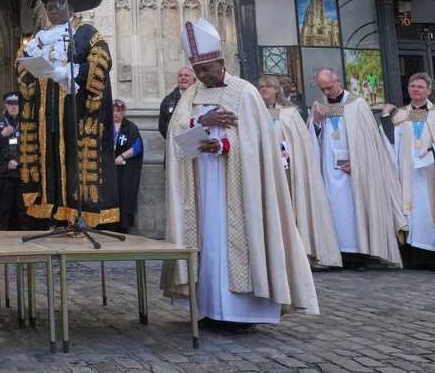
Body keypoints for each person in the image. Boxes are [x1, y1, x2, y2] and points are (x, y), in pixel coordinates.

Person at [162, 19, 317, 332]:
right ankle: (210, 308)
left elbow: (258, 146)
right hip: (202, 186)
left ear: (220, 62)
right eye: (198, 70)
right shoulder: (190, 96)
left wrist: (221, 143)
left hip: (237, 185)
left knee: (233, 243)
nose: (203, 75)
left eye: (207, 68)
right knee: (208, 245)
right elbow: (175, 137)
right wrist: (199, 123)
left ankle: (241, 313)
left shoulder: (244, 93)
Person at [17, 0, 119, 227]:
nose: (52, 11)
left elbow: (101, 62)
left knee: (76, 161)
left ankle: (80, 214)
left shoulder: (87, 34)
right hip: (47, 113)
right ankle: (55, 214)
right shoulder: (41, 37)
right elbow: (24, 66)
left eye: (57, 6)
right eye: (49, 8)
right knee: (50, 159)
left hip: (77, 114)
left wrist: (74, 72)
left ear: (70, 7)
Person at [310, 68, 405, 269]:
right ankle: (336, 255)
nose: (327, 93)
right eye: (322, 89)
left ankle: (357, 256)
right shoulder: (318, 105)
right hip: (328, 167)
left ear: (338, 80)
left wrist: (358, 163)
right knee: (332, 209)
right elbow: (310, 140)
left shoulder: (357, 104)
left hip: (354, 168)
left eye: (329, 87)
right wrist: (316, 120)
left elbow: (370, 142)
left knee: (355, 210)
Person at [258, 76, 342, 268]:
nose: (264, 89)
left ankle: (294, 252)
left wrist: (288, 151)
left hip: (286, 172)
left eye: (268, 86)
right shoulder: (254, 111)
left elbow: (301, 144)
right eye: (261, 86)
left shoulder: (290, 113)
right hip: (262, 168)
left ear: (277, 89)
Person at [380, 72, 435, 264]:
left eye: (420, 87)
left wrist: (432, 151)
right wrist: (386, 117)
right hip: (409, 173)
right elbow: (391, 143)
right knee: (413, 213)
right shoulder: (401, 114)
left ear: (429, 90)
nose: (415, 90)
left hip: (431, 172)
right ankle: (416, 257)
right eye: (412, 86)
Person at [0, 92, 28, 231]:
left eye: (16, 105)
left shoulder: (26, 123)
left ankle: (25, 233)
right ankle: (1, 233)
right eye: (11, 104)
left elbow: (32, 146)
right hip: (4, 172)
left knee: (23, 206)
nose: (13, 107)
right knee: (3, 207)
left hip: (21, 171)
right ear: (6, 105)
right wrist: (2, 135)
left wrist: (18, 160)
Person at [111, 100, 143, 234]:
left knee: (124, 195)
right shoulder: (105, 127)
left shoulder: (131, 128)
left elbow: (137, 147)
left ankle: (122, 226)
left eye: (118, 111)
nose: (115, 114)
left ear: (123, 112)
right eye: (113, 111)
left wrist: (122, 157)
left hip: (124, 170)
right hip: (108, 170)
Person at [158, 68, 195, 138]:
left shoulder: (199, 98)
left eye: (186, 75)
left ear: (194, 79)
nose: (183, 78)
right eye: (180, 75)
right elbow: (162, 126)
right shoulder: (168, 100)